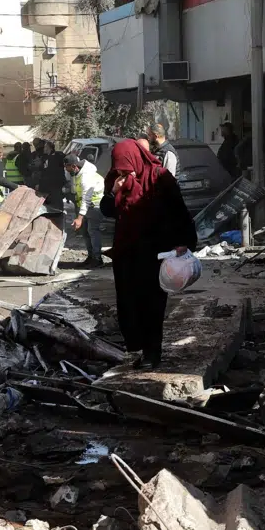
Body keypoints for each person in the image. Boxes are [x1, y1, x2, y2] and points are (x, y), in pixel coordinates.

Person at [99, 139, 196, 368]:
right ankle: (136, 349)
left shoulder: (159, 177)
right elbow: (107, 210)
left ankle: (152, 355)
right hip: (126, 252)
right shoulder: (115, 179)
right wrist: (114, 192)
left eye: (125, 165)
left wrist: (183, 242)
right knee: (127, 304)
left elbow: (179, 211)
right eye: (118, 166)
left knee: (151, 305)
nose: (123, 171)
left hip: (155, 251)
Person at [65, 153, 104, 267]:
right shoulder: (76, 174)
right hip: (86, 206)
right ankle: (91, 257)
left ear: (73, 166)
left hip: (94, 205)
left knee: (93, 231)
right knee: (86, 233)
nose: (66, 170)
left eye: (67, 167)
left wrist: (79, 218)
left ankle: (97, 259)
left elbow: (86, 198)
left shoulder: (86, 176)